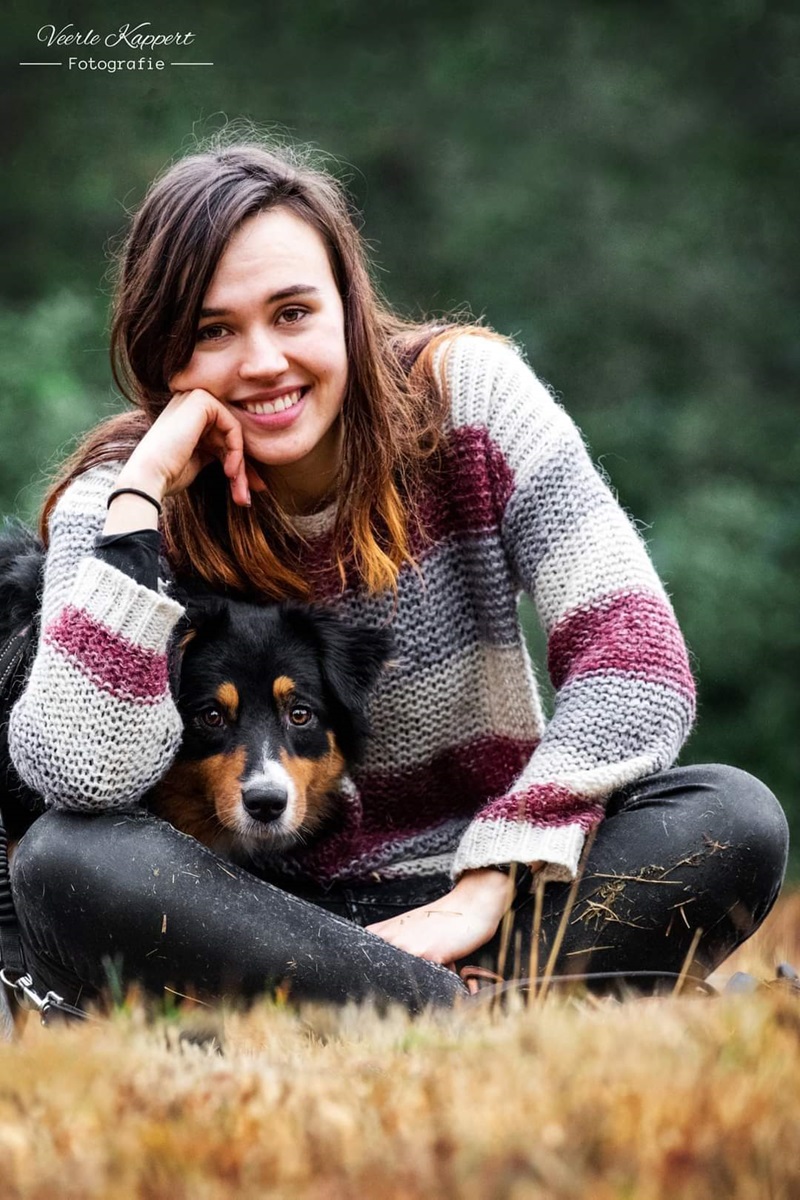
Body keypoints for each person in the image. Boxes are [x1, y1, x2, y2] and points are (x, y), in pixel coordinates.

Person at [6, 136, 789, 1015]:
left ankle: (364, 1013)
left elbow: (635, 664)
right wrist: (140, 504)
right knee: (66, 860)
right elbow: (77, 775)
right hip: (253, 915)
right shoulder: (118, 496)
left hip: (485, 889)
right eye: (214, 331)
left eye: (293, 312)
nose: (263, 361)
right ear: (163, 355)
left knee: (732, 815)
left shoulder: (471, 399)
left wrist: (491, 877)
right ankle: (470, 1013)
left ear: (349, 304)